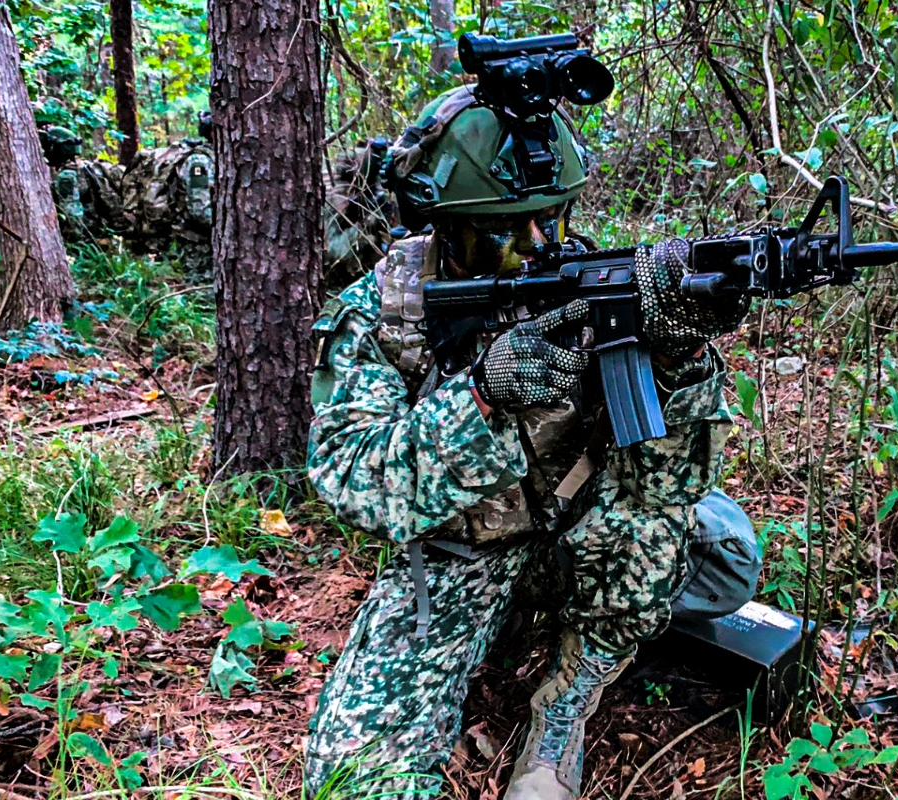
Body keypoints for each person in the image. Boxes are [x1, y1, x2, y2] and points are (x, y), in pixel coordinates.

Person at [304, 83, 757, 800]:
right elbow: (353, 480)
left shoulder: (594, 284)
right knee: (355, 778)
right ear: (443, 226)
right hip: (463, 549)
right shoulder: (383, 313)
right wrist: (482, 394)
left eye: (549, 221)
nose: (532, 251)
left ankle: (570, 697)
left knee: (726, 560)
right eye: (500, 232)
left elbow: (668, 483)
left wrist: (678, 356)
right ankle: (509, 625)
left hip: (587, 530)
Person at [120, 116, 213, 280]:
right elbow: (199, 209)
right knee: (202, 289)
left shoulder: (217, 157)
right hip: (197, 241)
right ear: (213, 133)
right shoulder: (200, 162)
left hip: (209, 237)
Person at [323, 137, 397, 290]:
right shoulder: (334, 198)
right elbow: (332, 252)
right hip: (338, 288)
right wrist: (367, 226)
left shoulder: (375, 194)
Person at [38, 125, 126, 245]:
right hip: (104, 232)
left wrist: (72, 243)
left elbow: (72, 216)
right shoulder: (91, 168)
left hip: (89, 241)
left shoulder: (66, 177)